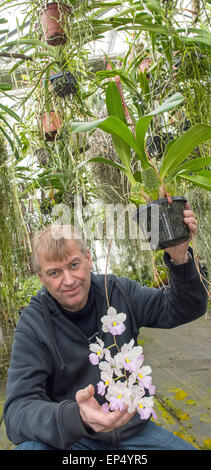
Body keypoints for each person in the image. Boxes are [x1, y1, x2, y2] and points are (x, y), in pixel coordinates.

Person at [3, 203, 208, 450]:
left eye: (74, 265)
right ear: (41, 277)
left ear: (89, 259)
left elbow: (184, 308)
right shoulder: (34, 324)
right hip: (74, 440)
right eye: (55, 272)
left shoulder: (117, 292)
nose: (68, 281)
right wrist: (77, 417)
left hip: (133, 432)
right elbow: (17, 411)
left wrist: (179, 257)